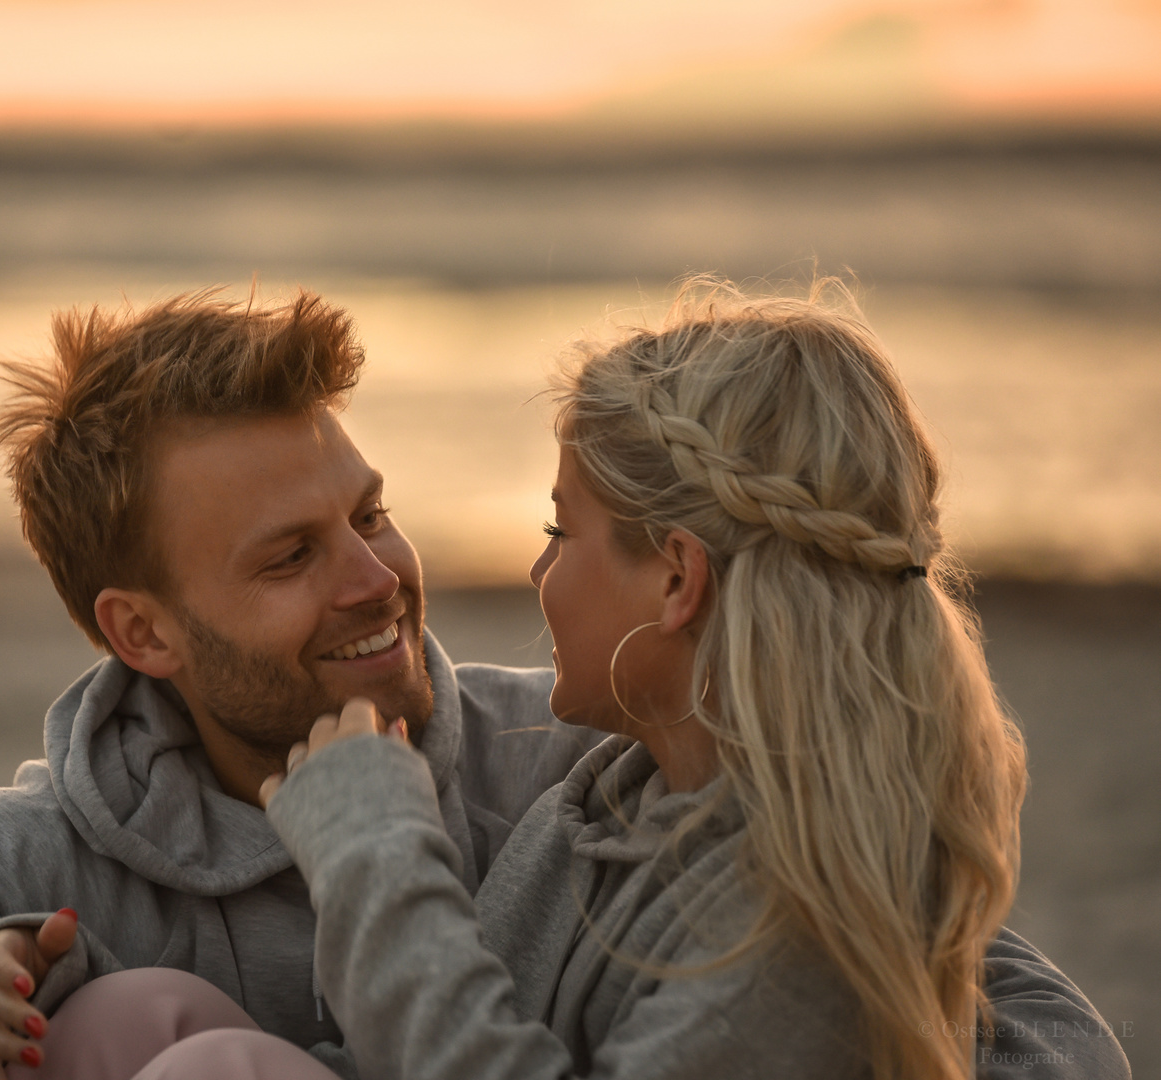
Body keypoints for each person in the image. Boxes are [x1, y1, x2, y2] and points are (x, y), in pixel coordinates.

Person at [0, 288, 1117, 1080]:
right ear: (142, 633)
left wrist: (377, 851)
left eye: (369, 513)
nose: (376, 580)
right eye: (290, 556)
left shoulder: (573, 760)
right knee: (128, 1006)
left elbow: (971, 982)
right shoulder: (66, 846)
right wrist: (4, 989)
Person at [255, 283, 1132, 1080]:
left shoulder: (799, 920)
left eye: (561, 530)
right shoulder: (606, 804)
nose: (536, 569)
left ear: (677, 579)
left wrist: (372, 852)